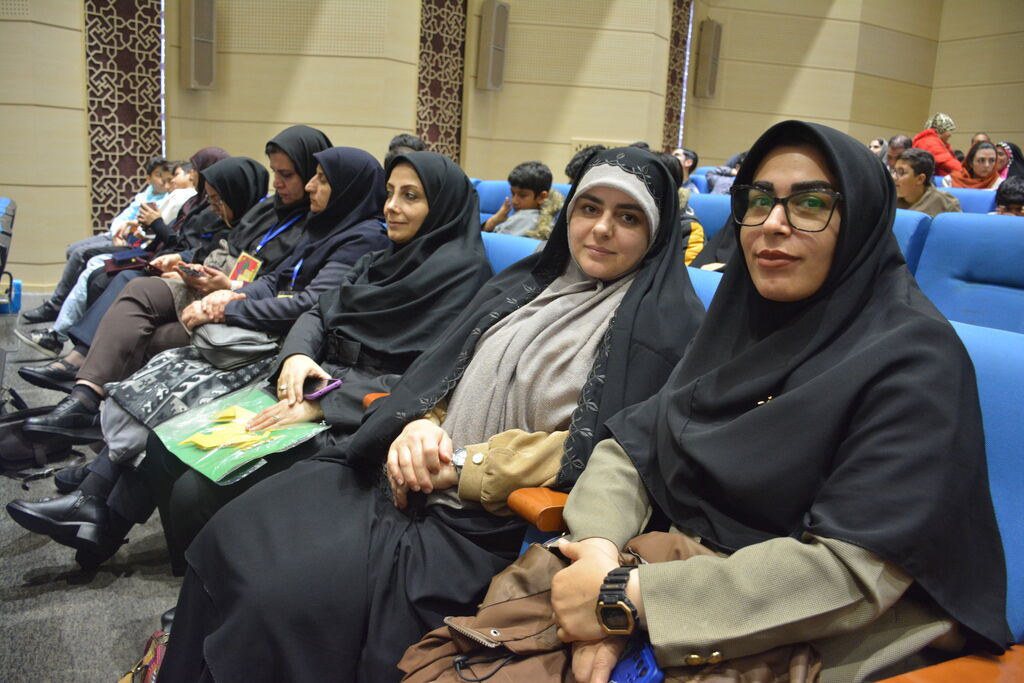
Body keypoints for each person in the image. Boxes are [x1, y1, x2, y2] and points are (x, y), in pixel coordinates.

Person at [156, 147, 706, 682]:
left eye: (627, 217)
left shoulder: (662, 329)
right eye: (589, 208)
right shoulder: (527, 284)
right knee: (236, 531)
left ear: (656, 233)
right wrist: (422, 422)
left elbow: (600, 448)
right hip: (403, 476)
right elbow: (445, 369)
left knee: (282, 598)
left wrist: (463, 465)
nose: (601, 228)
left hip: (482, 523)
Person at [547, 120, 1011, 683]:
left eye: (810, 203)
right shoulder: (743, 320)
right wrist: (597, 550)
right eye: (760, 199)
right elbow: (634, 446)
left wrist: (625, 598)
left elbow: (849, 572)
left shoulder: (915, 359)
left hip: (811, 629)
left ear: (860, 220)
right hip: (671, 576)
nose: (773, 223)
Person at [7, 147, 392, 567]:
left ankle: (100, 503)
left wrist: (231, 308)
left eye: (320, 178)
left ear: (350, 188)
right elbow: (276, 282)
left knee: (181, 385)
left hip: (302, 355)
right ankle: (97, 497)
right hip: (277, 335)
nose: (310, 186)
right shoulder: (327, 226)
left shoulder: (365, 238)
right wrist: (231, 294)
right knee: (166, 366)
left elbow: (312, 304)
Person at [130, 150, 496, 574]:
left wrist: (326, 403)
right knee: (162, 450)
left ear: (443, 206)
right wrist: (298, 354)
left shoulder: (464, 277)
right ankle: (198, 575)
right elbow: (318, 312)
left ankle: (211, 587)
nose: (391, 207)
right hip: (312, 383)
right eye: (390, 192)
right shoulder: (382, 259)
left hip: (362, 416)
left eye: (410, 196)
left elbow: (430, 380)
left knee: (197, 491)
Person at [19, 157, 171, 326]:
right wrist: (118, 231)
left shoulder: (168, 198)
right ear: (148, 178)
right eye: (159, 175)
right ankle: (67, 303)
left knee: (81, 255)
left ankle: (57, 305)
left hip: (132, 241)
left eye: (168, 177)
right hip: (115, 234)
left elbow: (149, 229)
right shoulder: (145, 194)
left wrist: (126, 232)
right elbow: (122, 218)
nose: (164, 182)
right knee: (72, 249)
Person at [483, 160, 562, 237]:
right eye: (513, 193)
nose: (514, 201)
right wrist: (496, 219)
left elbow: (488, 242)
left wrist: (493, 221)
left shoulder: (527, 218)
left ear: (542, 197)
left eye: (522, 196)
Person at [893, 148, 962, 217]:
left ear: (920, 179)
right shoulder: (891, 200)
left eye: (901, 172)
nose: (894, 177)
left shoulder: (947, 205)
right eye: (894, 171)